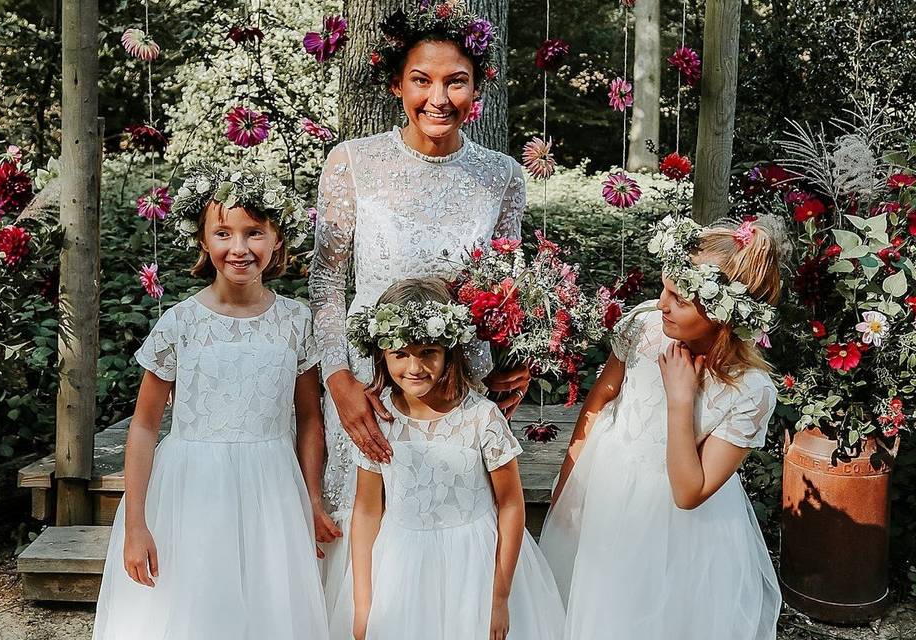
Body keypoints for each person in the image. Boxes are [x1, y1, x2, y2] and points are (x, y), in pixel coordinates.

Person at [309, 1, 530, 612]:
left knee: (450, 535)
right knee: (374, 535)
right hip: (368, 384)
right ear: (396, 86)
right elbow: (324, 282)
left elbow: (504, 288)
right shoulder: (351, 162)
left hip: (458, 386)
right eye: (422, 80)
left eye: (456, 81)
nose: (439, 97)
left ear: (476, 88)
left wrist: (517, 358)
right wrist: (339, 381)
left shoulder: (504, 176)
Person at [92, 161, 330, 639]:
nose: (239, 248)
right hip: (190, 490)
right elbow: (143, 426)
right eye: (223, 233)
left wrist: (313, 498)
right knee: (194, 607)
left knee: (267, 610)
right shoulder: (180, 323)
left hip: (272, 489)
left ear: (278, 238)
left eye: (255, 233)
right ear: (203, 240)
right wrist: (135, 522)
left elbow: (309, 419)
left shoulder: (297, 321)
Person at [540, 216, 784, 639]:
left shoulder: (749, 391)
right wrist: (569, 485)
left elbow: (689, 492)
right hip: (606, 487)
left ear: (723, 314)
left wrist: (681, 398)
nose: (662, 304)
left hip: (677, 527)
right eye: (665, 288)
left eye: (679, 298)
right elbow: (599, 400)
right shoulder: (645, 327)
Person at [329, 277, 564, 640]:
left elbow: (511, 505)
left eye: (428, 352)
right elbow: (367, 510)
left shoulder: (481, 417)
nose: (414, 366)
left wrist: (499, 597)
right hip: (402, 568)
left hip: (476, 568)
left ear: (449, 350)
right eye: (401, 353)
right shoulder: (381, 422)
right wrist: (364, 603)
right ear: (382, 354)